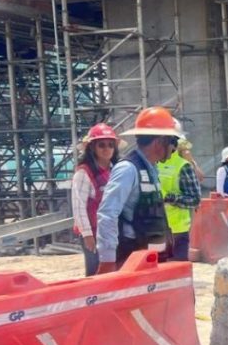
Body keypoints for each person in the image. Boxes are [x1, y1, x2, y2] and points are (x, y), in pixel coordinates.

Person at [96, 106, 183, 273]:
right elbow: (107, 214)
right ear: (159, 141)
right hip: (131, 257)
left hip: (149, 256)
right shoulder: (128, 169)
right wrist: (107, 260)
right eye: (173, 141)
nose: (174, 148)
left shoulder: (151, 169)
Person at [71, 123, 121, 276]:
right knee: (95, 272)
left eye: (110, 145)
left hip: (112, 231)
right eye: (101, 145)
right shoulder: (83, 173)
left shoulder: (116, 170)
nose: (107, 149)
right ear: (92, 147)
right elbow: (78, 206)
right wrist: (87, 235)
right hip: (93, 231)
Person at [158, 128, 202, 261]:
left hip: (177, 230)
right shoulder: (152, 163)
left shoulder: (183, 166)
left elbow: (195, 199)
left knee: (176, 274)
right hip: (155, 229)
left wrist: (169, 197)